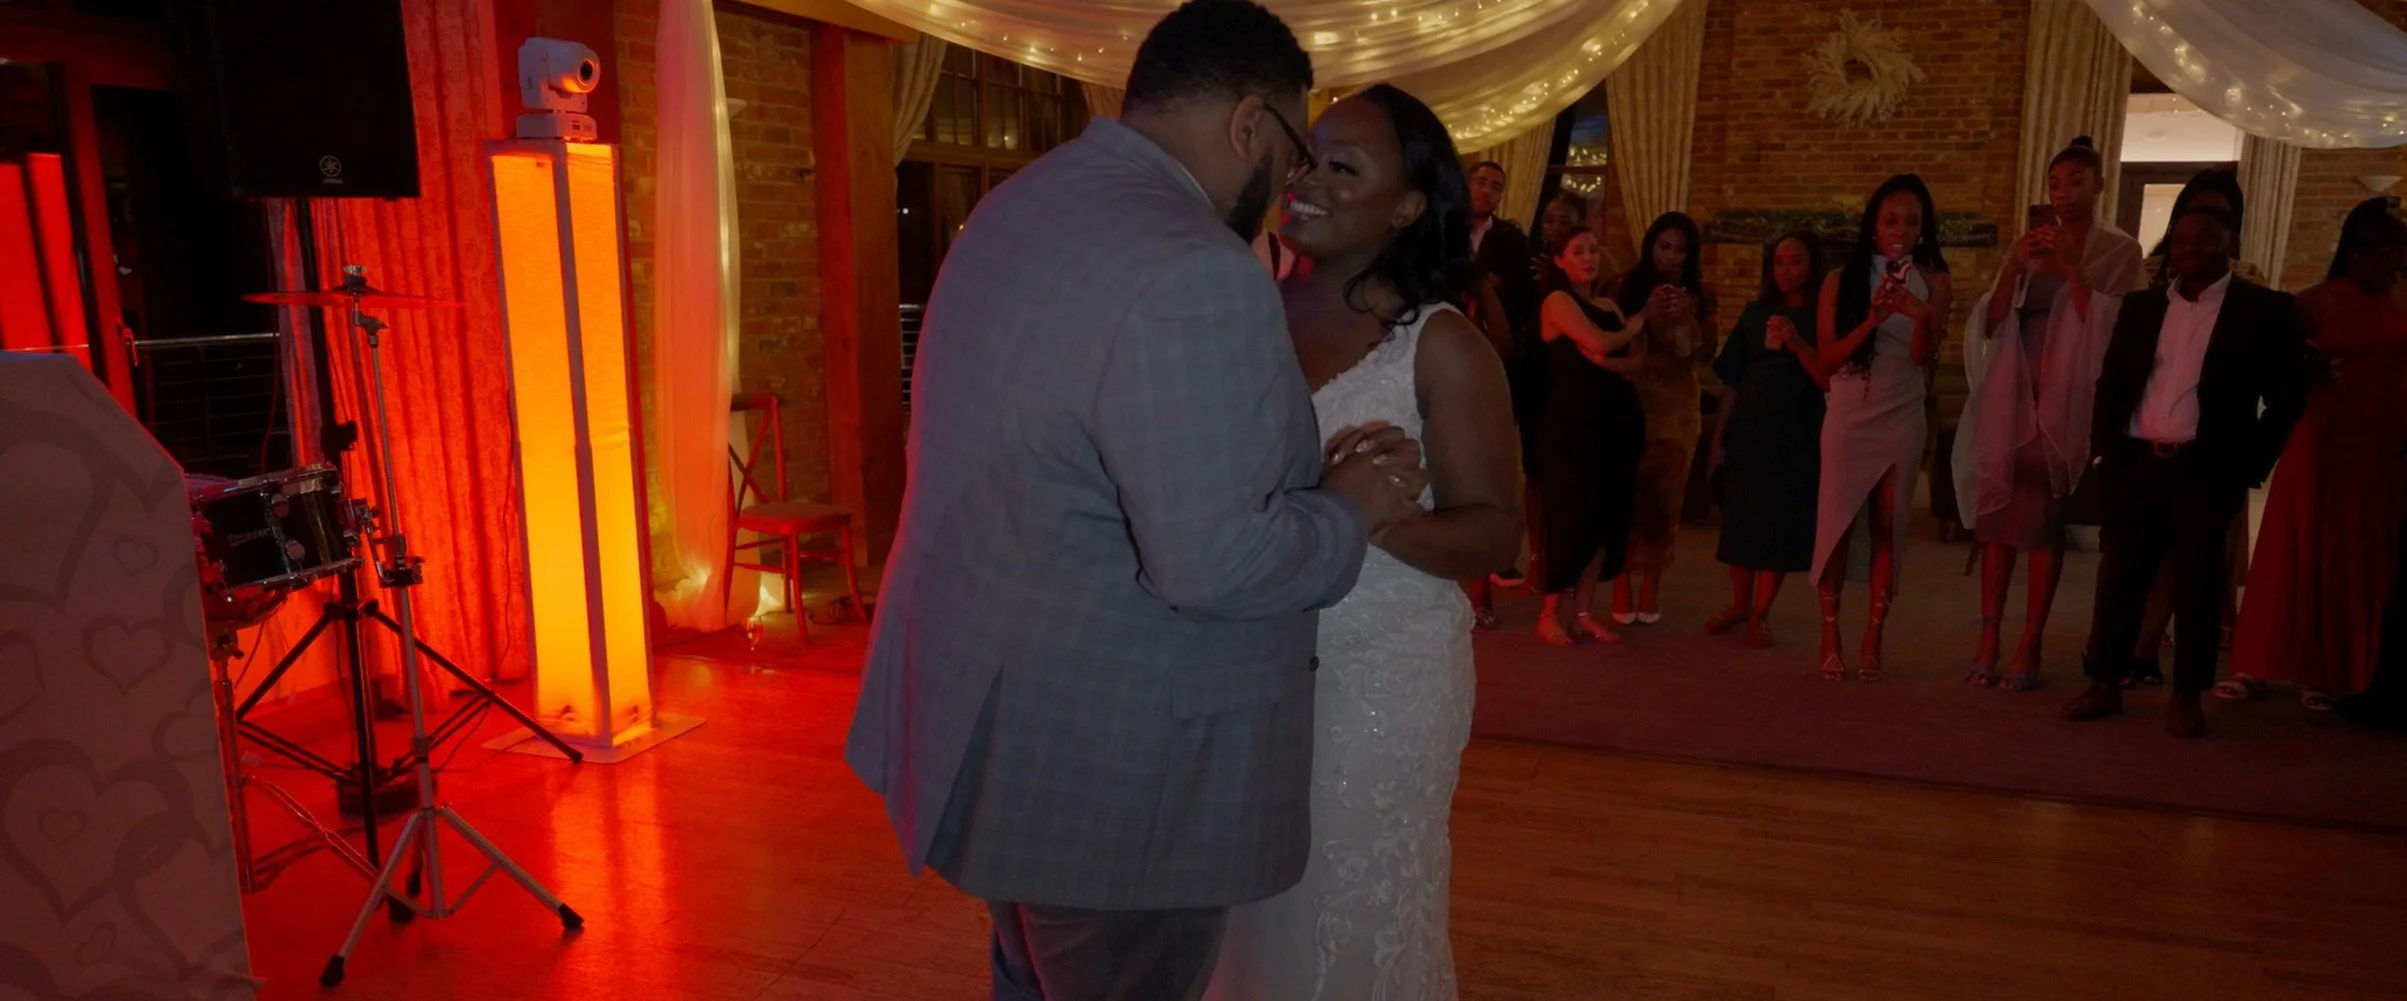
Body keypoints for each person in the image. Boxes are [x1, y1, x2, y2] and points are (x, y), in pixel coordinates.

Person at [843, 5, 1430, 998]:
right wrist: (1349, 501)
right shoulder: (1194, 266)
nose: (1289, 186)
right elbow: (1217, 564)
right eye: (1292, 152)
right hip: (1118, 774)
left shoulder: (1020, 203)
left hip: (1001, 715)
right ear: (1251, 123)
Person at [1208, 83, 1522, 1001]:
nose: (1305, 180)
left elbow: (1499, 532)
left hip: (1378, 676)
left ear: (1408, 205)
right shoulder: (1239, 315)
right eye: (1305, 157)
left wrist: (1388, 520)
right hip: (1239, 661)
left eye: (1343, 167)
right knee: (1241, 917)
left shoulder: (1441, 345)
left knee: (1344, 911)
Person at [2061, 204, 2308, 739]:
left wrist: (2248, 463)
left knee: (2197, 584)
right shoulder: (2144, 307)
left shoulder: (2260, 310)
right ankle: (2106, 682)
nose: (2191, 250)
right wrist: (2104, 454)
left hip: (2205, 468)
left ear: (2229, 245)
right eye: (2181, 240)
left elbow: (2288, 397)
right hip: (2137, 460)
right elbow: (2113, 383)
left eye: (2206, 240)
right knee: (2121, 580)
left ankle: (2186, 694)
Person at [1954, 137, 2146, 691]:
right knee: (1996, 522)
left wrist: (2072, 265)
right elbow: (1989, 324)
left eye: (2077, 181)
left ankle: (2029, 643)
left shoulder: (2118, 249)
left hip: (2066, 399)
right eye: (2055, 183)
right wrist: (2015, 267)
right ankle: (1988, 637)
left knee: (2042, 525)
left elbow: (2112, 328)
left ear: (2100, 184)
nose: (2064, 193)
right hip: (2012, 392)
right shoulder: (2029, 245)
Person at [2224, 199, 2407, 710]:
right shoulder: (2315, 303)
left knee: (2359, 553)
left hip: (2383, 440)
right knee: (2297, 544)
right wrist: (2303, 372)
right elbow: (2266, 361)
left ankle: (2334, 668)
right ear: (2356, 255)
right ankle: (2258, 661)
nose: (2395, 266)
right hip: (2323, 437)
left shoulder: (2402, 303)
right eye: (2387, 255)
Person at [1813, 174, 1953, 682]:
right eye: (1892, 219)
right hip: (1850, 411)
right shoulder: (1839, 281)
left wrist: (1920, 317)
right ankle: (1831, 633)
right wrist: (1872, 319)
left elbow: (1924, 357)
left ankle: (1874, 637)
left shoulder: (1935, 280)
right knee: (1836, 524)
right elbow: (1826, 362)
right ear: (1874, 222)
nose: (1901, 229)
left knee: (1888, 524)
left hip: (1901, 409)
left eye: (1912, 221)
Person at [1707, 232, 1831, 647]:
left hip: (1796, 431)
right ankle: (1741, 603)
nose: (1785, 270)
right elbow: (1732, 380)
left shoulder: (1821, 315)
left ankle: (1761, 613)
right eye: (1778, 262)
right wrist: (1719, 439)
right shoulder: (1756, 312)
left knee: (1777, 523)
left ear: (1812, 265)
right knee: (1741, 519)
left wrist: (1796, 342)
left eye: (1795, 262)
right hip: (1750, 429)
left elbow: (1828, 377)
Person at [1532, 229, 1649, 646]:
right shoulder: (1558, 301)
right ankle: (1549, 613)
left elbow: (1635, 358)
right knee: (1570, 517)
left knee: (1605, 518)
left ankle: (1583, 610)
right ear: (1560, 261)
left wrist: (1613, 356)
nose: (1588, 258)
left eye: (1593, 250)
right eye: (1577, 252)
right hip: (1573, 424)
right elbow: (1600, 341)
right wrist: (1631, 327)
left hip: (1613, 421)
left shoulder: (1608, 304)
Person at [1608, 211, 1716, 625]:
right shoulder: (1626, 286)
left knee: (1665, 504)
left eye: (1679, 250)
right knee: (1624, 501)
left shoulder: (1701, 293)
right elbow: (1616, 344)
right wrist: (1645, 315)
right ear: (1651, 246)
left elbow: (1701, 355)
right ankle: (1621, 586)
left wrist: (1688, 316)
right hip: (1632, 403)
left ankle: (1651, 587)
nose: (1670, 257)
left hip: (1676, 411)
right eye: (1663, 247)